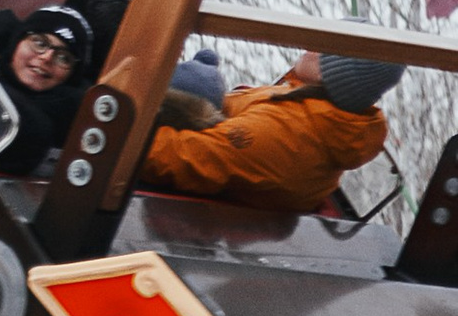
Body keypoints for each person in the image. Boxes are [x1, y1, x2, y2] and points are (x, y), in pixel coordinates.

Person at [134, 51, 404, 214]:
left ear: (334, 73)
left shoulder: (287, 135)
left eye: (323, 48)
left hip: (169, 208)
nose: (308, 48)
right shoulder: (308, 107)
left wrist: (118, 133)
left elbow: (175, 156)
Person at [0, 0, 127, 170]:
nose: (47, 58)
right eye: (40, 43)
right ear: (16, 43)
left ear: (71, 76)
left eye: (64, 58)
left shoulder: (43, 123)